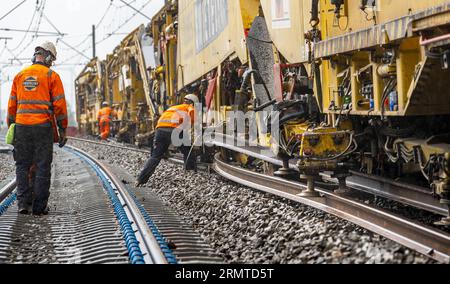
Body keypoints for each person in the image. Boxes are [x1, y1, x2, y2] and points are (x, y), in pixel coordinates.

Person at [7, 41, 68, 216]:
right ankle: (40, 207)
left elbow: (12, 105)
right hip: (42, 127)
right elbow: (60, 107)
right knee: (42, 166)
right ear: (48, 56)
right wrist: (62, 129)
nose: (52, 63)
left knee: (22, 165)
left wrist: (13, 126)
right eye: (52, 59)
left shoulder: (20, 76)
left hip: (22, 127)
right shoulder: (51, 76)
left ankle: (23, 204)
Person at [136, 94, 199, 187]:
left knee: (155, 156)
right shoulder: (189, 107)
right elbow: (192, 119)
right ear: (192, 103)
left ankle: (140, 180)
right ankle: (190, 173)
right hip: (174, 129)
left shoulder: (173, 108)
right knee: (188, 150)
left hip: (160, 130)